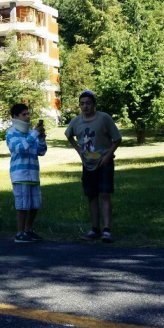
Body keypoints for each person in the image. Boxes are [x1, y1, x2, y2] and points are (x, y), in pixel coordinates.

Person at [65, 90, 122, 243]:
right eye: (82, 103)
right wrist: (79, 152)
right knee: (91, 196)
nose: (85, 106)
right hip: (87, 164)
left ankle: (107, 229)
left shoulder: (104, 118)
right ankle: (95, 228)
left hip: (104, 162)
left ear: (94, 104)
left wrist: (108, 155)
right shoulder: (76, 121)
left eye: (88, 103)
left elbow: (117, 139)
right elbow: (69, 135)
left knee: (104, 194)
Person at [6, 104, 47, 243]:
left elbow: (41, 151)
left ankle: (28, 230)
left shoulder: (31, 133)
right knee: (22, 205)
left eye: (28, 113)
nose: (27, 116)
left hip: (33, 172)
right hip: (20, 173)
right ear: (15, 117)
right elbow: (19, 148)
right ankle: (20, 233)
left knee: (35, 204)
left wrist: (41, 138)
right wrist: (35, 134)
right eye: (24, 114)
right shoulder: (11, 133)